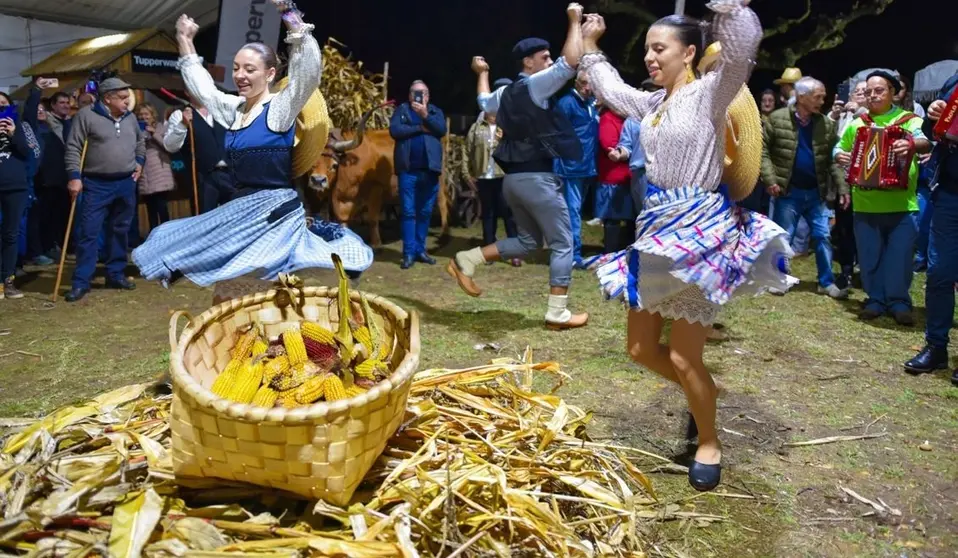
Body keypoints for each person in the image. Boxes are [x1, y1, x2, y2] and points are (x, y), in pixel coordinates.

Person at [578, 0, 793, 491]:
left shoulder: (711, 94)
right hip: (654, 232)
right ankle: (705, 397)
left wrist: (733, 12)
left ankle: (709, 441)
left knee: (681, 356)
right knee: (638, 348)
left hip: (700, 238)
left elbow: (739, 55)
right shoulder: (653, 104)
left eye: (660, 49)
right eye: (648, 50)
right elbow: (611, 88)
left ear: (689, 52)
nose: (650, 58)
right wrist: (590, 45)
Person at [132, 2, 373, 291]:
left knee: (265, 285)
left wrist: (291, 18)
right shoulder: (234, 109)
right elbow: (204, 89)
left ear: (270, 74)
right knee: (186, 251)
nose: (240, 75)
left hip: (274, 213)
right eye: (236, 68)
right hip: (241, 209)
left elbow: (307, 75)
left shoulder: (280, 109)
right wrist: (185, 41)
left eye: (249, 69)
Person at [447, 3, 590, 331]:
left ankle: (467, 259)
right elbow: (571, 62)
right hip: (538, 178)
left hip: (514, 179)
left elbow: (483, 104)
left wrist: (482, 74)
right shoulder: (535, 84)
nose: (549, 60)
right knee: (563, 242)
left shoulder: (504, 92)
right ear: (528, 62)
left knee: (528, 242)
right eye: (544, 56)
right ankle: (558, 311)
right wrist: (574, 21)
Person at [834, 70, 931, 325]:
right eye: (869, 91)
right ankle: (875, 299)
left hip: (901, 204)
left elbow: (925, 142)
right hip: (866, 204)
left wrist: (910, 143)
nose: (873, 95)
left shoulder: (909, 120)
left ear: (893, 93)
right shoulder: (858, 123)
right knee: (869, 257)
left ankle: (899, 302)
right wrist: (838, 156)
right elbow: (839, 147)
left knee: (899, 257)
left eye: (879, 90)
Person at [761, 76, 849, 299]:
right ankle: (778, 279)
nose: (823, 100)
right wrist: (771, 179)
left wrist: (842, 188)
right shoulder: (777, 119)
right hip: (788, 191)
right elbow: (762, 151)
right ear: (801, 97)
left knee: (823, 236)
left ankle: (826, 282)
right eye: (817, 96)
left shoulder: (826, 125)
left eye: (823, 96)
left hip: (816, 192)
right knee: (784, 237)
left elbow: (832, 160)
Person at [62, 77, 145, 302]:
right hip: (96, 183)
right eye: (122, 97)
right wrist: (74, 177)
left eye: (127, 97)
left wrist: (139, 161)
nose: (127, 101)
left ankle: (115, 273)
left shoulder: (130, 118)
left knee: (120, 229)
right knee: (89, 232)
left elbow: (140, 141)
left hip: (125, 182)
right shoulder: (86, 116)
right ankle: (81, 281)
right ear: (107, 98)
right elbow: (73, 147)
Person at [904, 72, 958, 385]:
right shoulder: (954, 82)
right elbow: (931, 132)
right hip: (950, 191)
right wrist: (935, 115)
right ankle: (936, 347)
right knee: (939, 273)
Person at [389, 80, 447, 270]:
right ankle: (408, 253)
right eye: (415, 93)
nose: (418, 96)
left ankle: (421, 250)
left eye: (422, 93)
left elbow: (441, 130)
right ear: (409, 95)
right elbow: (395, 130)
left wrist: (425, 116)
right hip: (408, 171)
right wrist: (419, 128)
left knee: (424, 212)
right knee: (408, 212)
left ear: (428, 95)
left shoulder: (435, 111)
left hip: (430, 171)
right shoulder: (402, 111)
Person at [464, 91, 522, 266]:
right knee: (488, 214)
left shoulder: (508, 128)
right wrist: (467, 174)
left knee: (509, 213)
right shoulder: (476, 127)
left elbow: (517, 150)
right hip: (484, 176)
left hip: (503, 176)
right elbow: (467, 152)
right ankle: (489, 251)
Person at [0, 84, 42, 299]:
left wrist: (13, 133)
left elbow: (27, 152)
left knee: (10, 234)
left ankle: (7, 281)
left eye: (3, 105)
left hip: (15, 186)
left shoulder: (19, 126)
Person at [553, 71, 598, 267]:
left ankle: (570, 252)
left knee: (575, 210)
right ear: (577, 83)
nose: (589, 88)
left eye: (592, 84)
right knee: (571, 211)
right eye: (586, 84)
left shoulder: (590, 103)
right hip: (570, 167)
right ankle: (573, 255)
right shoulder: (566, 103)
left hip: (587, 166)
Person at [164, 94, 236, 213]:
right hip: (202, 177)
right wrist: (183, 124)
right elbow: (170, 146)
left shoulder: (223, 111)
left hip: (230, 174)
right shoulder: (179, 114)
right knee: (205, 218)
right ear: (187, 91)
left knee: (234, 216)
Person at [31, 89, 74, 264]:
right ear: (54, 106)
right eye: (61, 103)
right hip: (47, 178)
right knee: (46, 216)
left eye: (67, 102)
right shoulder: (46, 124)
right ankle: (46, 247)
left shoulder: (71, 124)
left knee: (63, 215)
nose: (65, 106)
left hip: (66, 177)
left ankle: (61, 245)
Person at [595, 105, 633, 252]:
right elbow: (608, 144)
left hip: (627, 176)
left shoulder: (627, 119)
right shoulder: (608, 118)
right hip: (612, 176)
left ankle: (626, 251)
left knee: (631, 218)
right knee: (612, 218)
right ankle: (610, 252)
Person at [135, 103, 176, 232]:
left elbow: (168, 146)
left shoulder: (160, 128)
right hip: (145, 175)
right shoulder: (136, 130)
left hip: (160, 173)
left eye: (146, 114)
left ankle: (167, 235)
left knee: (161, 207)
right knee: (150, 209)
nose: (143, 117)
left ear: (152, 115)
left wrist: (153, 134)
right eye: (141, 115)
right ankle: (153, 237)